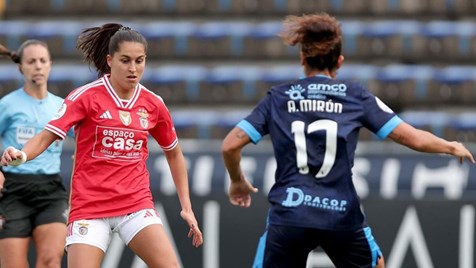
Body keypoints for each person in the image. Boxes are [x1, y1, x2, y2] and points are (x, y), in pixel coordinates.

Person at [221, 13, 475, 268]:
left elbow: (230, 145)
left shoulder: (278, 98)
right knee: (377, 263)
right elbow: (412, 138)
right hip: (339, 214)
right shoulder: (355, 96)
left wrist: (237, 181)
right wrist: (451, 146)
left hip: (290, 212)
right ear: (339, 62)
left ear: (302, 58)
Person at [1, 23, 203, 268]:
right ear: (109, 60)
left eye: (139, 61)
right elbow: (47, 136)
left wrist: (187, 207)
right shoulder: (85, 97)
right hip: (90, 207)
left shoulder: (153, 103)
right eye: (125, 60)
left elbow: (174, 154)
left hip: (135, 205)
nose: (133, 68)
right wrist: (22, 154)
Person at [0, 40, 71, 268]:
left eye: (42, 61)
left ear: (50, 65)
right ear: (21, 67)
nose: (38, 66)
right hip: (13, 190)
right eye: (31, 61)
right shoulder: (8, 105)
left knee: (51, 261)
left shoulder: (62, 107)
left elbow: (85, 142)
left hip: (50, 191)